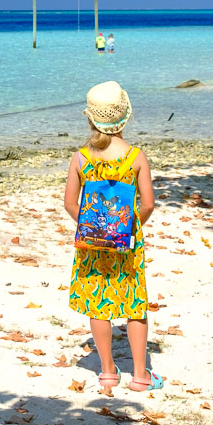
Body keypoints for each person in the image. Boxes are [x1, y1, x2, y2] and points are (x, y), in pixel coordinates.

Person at [62, 81, 162, 393]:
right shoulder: (135, 156)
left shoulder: (80, 158)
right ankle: (141, 375)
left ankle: (107, 371)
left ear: (90, 118)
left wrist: (94, 229)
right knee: (134, 305)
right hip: (127, 243)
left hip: (93, 244)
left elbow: (69, 202)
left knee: (97, 303)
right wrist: (129, 228)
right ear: (125, 117)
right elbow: (148, 204)